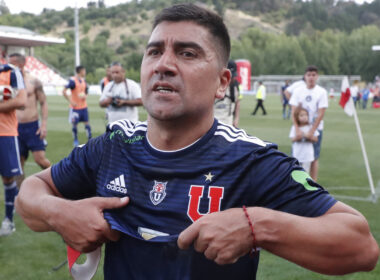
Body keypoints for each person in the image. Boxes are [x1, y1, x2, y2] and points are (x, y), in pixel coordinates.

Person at [16, 4, 378, 279]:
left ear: (223, 83)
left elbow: (361, 246)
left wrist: (257, 226)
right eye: (154, 51)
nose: (164, 64)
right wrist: (60, 212)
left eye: (187, 53)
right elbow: (30, 194)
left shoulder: (249, 159)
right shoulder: (113, 145)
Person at [8, 54, 51, 188]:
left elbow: (43, 103)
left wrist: (43, 125)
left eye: (12, 64)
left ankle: (58, 182)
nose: (8, 66)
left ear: (21, 64)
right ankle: (21, 195)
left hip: (33, 127)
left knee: (40, 160)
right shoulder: (7, 83)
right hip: (15, 127)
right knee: (19, 164)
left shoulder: (34, 81)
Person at [0, 63, 26, 236]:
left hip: (5, 133)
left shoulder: (11, 72)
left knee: (8, 178)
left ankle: (9, 220)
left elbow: (22, 101)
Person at [289, 65, 328, 182]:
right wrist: (296, 128)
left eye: (313, 75)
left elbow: (321, 113)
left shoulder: (321, 92)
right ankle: (295, 182)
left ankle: (313, 183)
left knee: (314, 157)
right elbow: (293, 111)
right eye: (309, 75)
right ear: (305, 76)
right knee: (296, 156)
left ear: (317, 77)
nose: (311, 77)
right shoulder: (298, 91)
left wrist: (312, 131)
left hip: (316, 128)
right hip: (300, 128)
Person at [63, 65, 92, 147]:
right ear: (80, 71)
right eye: (84, 71)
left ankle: (90, 139)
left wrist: (86, 95)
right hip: (75, 108)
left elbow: (87, 90)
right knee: (75, 124)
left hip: (84, 107)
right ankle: (75, 139)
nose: (85, 72)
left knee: (87, 124)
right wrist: (71, 101)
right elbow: (64, 91)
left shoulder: (83, 81)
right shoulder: (73, 81)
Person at [289, 106, 319, 173]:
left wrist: (308, 136)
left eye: (306, 115)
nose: (304, 117)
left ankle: (304, 184)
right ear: (297, 117)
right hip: (297, 154)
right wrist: (298, 137)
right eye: (301, 115)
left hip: (307, 155)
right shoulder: (295, 128)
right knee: (296, 172)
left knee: (305, 173)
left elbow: (316, 139)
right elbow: (292, 139)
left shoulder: (311, 127)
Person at [214, 60, 241, 127]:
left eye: (233, 76)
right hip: (213, 127)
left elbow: (237, 102)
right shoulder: (213, 86)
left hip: (228, 125)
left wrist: (236, 119)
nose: (232, 79)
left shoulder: (235, 87)